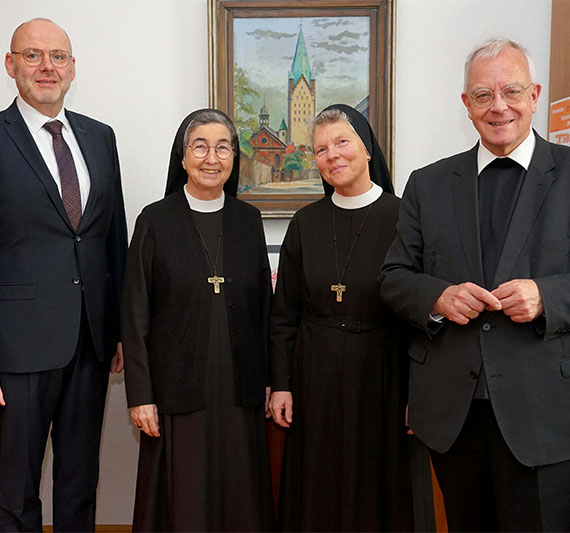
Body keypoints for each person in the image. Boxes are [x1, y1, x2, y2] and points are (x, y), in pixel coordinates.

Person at [381, 38, 570, 532]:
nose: (499, 106)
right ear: (466, 105)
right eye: (483, 95)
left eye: (511, 90)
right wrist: (437, 298)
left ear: (534, 94)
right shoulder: (428, 183)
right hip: (452, 415)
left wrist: (547, 296)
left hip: (544, 412)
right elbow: (394, 277)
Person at [0, 18, 127, 532]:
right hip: (17, 348)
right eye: (33, 55)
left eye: (57, 56)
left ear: (73, 67)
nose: (46, 66)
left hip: (91, 342)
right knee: (15, 490)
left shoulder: (99, 137)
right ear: (11, 66)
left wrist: (116, 328)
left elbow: (111, 237)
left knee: (79, 485)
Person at [122, 109, 275, 532]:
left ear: (234, 156)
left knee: (240, 496)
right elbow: (134, 314)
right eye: (201, 146)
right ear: (183, 157)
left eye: (223, 146)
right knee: (183, 501)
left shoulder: (248, 220)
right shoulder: (155, 220)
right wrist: (140, 395)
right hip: (175, 389)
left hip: (240, 389)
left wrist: (269, 378)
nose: (212, 157)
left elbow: (265, 306)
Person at [270, 104, 413, 531]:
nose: (331, 155)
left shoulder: (406, 218)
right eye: (320, 149)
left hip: (384, 373)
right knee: (317, 484)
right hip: (315, 374)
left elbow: (422, 316)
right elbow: (284, 314)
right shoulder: (305, 222)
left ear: (367, 149)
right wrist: (281, 384)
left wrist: (416, 393)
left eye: (341, 142)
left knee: (378, 483)